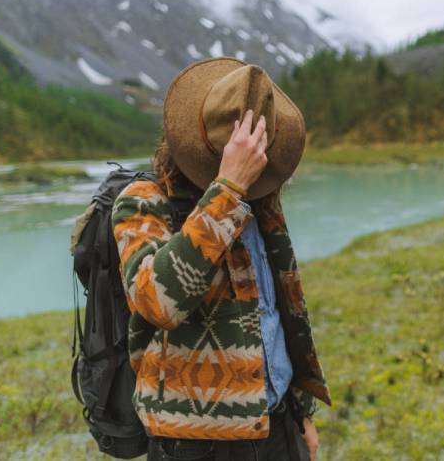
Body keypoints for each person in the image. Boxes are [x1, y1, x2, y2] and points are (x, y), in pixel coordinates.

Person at [111, 57, 331, 461]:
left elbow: (279, 316)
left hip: (279, 424)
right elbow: (157, 303)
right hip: (195, 444)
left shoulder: (259, 203)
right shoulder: (143, 201)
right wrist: (227, 188)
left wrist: (301, 412)